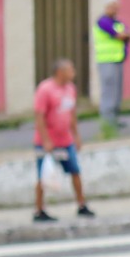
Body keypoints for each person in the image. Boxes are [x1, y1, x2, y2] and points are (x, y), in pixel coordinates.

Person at [32, 58, 94, 222]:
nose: (73, 73)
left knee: (75, 171)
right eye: (70, 69)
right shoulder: (45, 90)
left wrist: (76, 136)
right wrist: (45, 140)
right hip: (47, 141)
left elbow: (71, 114)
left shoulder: (70, 89)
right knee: (42, 176)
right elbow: (39, 116)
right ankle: (39, 210)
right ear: (60, 72)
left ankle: (81, 204)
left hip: (65, 140)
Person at [93, 0, 130, 128]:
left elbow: (128, 35)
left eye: (116, 6)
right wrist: (124, 36)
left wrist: (125, 36)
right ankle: (106, 122)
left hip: (118, 60)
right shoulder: (102, 21)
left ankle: (114, 119)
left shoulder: (118, 23)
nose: (115, 9)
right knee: (108, 92)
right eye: (112, 6)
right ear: (107, 7)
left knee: (117, 92)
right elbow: (120, 35)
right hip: (106, 60)